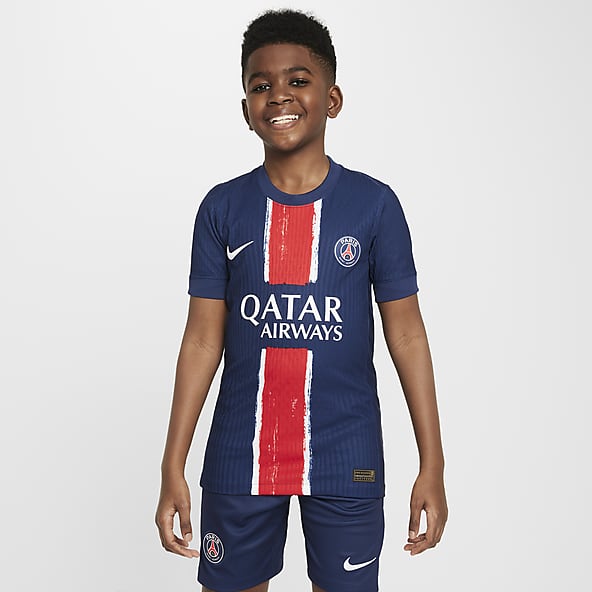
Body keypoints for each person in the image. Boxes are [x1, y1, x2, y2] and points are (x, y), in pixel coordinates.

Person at [155, 9, 447, 592]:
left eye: (297, 80)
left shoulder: (374, 206)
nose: (279, 95)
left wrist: (432, 463)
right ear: (245, 110)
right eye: (260, 85)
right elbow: (203, 339)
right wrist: (172, 464)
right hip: (241, 455)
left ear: (332, 99)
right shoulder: (222, 208)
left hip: (346, 454)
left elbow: (407, 335)